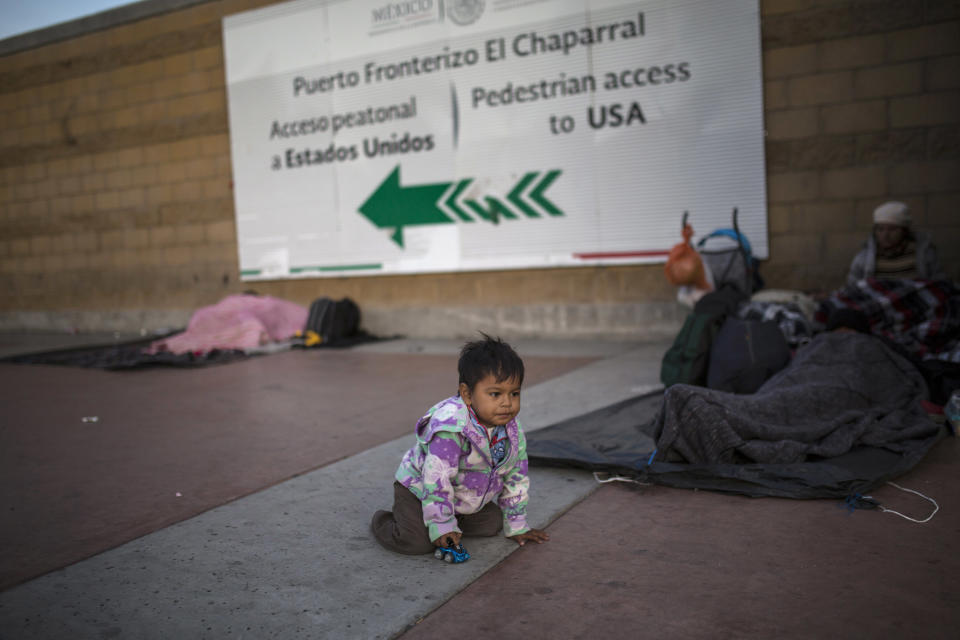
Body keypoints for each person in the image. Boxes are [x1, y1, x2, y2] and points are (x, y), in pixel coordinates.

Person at [371, 334, 550, 555]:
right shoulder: (451, 429)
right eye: (495, 394)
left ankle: (447, 519)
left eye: (514, 393)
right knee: (417, 543)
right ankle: (390, 519)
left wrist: (516, 525)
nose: (507, 403)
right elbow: (436, 480)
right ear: (467, 394)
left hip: (463, 495)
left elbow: (516, 477)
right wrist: (442, 525)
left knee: (492, 523)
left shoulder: (512, 431)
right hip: (420, 490)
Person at [847, 201, 945, 286]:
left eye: (892, 229)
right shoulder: (864, 258)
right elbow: (853, 288)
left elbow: (939, 285)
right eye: (880, 229)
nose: (885, 235)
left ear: (904, 231)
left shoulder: (924, 255)